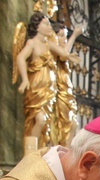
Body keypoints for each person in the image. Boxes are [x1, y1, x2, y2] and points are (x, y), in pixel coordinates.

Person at [14, 12, 78, 147]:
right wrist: (25, 79)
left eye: (49, 23)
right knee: (40, 120)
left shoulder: (49, 44)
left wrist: (75, 35)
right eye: (46, 23)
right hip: (36, 86)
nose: (49, 26)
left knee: (46, 122)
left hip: (49, 90)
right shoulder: (32, 43)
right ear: (37, 26)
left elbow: (64, 53)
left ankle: (39, 148)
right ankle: (29, 153)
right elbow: (20, 58)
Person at [52, 22, 82, 147]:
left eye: (66, 36)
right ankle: (63, 149)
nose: (65, 39)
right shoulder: (53, 50)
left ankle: (66, 150)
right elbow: (64, 55)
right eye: (61, 36)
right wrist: (74, 35)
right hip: (58, 92)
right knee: (66, 123)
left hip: (66, 91)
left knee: (73, 123)